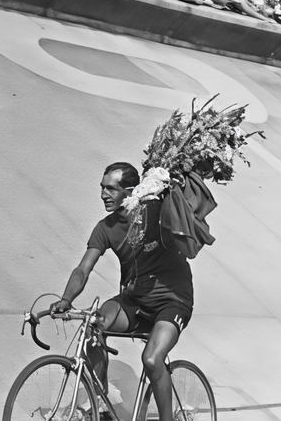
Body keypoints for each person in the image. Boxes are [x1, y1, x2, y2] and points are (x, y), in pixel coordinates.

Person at [49, 162, 193, 421]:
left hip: (172, 302)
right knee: (94, 324)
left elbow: (184, 212)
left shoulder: (157, 214)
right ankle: (101, 402)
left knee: (151, 359)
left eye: (111, 189)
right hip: (135, 301)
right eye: (102, 187)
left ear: (130, 191)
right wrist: (66, 299)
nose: (104, 193)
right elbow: (83, 269)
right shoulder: (106, 227)